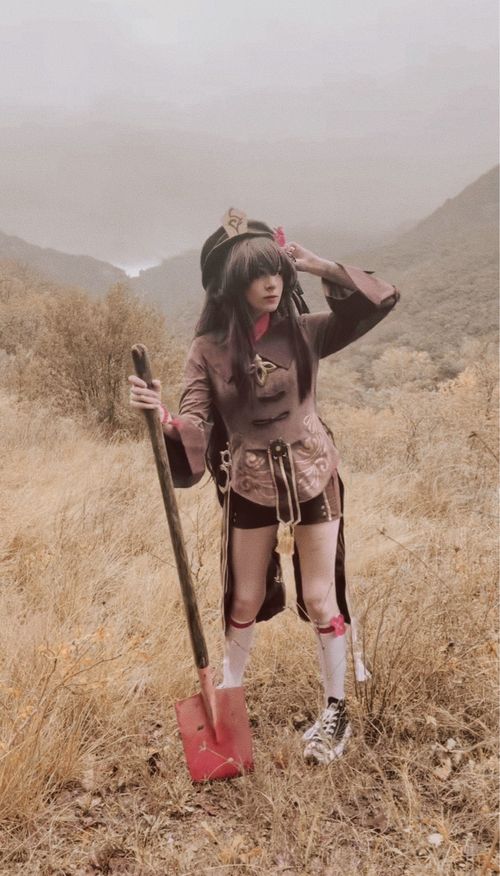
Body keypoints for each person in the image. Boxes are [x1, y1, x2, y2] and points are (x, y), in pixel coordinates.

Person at [128, 208, 400, 765]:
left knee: (319, 597)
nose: (271, 283)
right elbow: (195, 419)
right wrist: (161, 416)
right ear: (232, 285)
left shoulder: (306, 331)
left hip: (313, 474)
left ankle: (336, 711)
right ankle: (228, 705)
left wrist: (318, 264)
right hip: (249, 482)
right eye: (256, 275)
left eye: (276, 270)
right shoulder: (207, 350)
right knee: (245, 597)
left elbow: (382, 299)